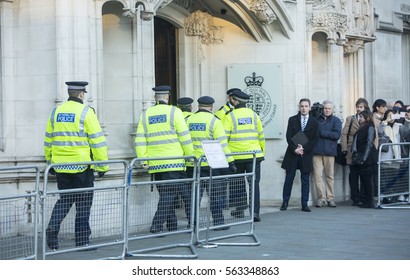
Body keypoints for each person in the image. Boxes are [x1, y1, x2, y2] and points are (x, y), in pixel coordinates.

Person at [44, 81, 109, 250]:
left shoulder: (56, 112)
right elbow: (97, 141)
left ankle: (52, 232)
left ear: (69, 93)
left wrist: (50, 162)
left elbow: (48, 139)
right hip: (82, 166)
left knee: (65, 200)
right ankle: (82, 241)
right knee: (83, 204)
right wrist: (102, 166)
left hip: (60, 166)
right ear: (81, 94)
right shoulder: (86, 112)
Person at [135, 85, 194, 234]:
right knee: (168, 195)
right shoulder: (175, 112)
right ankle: (157, 224)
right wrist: (191, 157)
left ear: (155, 98)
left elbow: (140, 140)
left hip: (156, 164)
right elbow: (185, 137)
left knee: (171, 194)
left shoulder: (146, 114)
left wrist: (144, 160)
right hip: (174, 162)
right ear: (167, 97)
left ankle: (174, 224)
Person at [186, 96, 236, 230]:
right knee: (215, 195)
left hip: (193, 164)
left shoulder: (188, 120)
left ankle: (193, 224)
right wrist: (230, 162)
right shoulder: (214, 121)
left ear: (198, 106)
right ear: (211, 106)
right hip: (210, 165)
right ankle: (219, 223)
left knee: (194, 196)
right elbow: (222, 144)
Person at [223, 90, 265, 222]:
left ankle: (240, 210)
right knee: (254, 184)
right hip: (254, 156)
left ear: (235, 101)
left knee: (238, 184)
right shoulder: (254, 115)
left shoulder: (230, 116)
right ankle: (255, 213)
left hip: (236, 156)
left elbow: (224, 138)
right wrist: (261, 153)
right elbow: (261, 136)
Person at [280, 98, 319, 212]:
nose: (304, 108)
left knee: (305, 180)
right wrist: (295, 149)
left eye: (306, 106)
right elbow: (288, 136)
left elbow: (315, 139)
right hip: (292, 154)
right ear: (299, 107)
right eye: (302, 106)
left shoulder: (314, 122)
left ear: (309, 108)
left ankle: (304, 204)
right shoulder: (292, 120)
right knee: (289, 179)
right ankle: (285, 202)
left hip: (305, 155)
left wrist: (304, 149)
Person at [312, 100, 342, 208]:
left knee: (330, 176)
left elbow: (337, 135)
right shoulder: (316, 119)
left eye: (329, 108)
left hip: (330, 152)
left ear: (332, 109)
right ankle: (321, 198)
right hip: (317, 152)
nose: (327, 110)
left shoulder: (336, 120)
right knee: (317, 176)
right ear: (322, 109)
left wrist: (322, 133)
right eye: (325, 108)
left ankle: (330, 198)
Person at [340, 97, 369, 206]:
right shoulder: (350, 119)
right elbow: (344, 134)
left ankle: (363, 197)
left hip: (363, 150)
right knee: (353, 175)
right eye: (357, 107)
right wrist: (344, 148)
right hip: (351, 149)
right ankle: (355, 198)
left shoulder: (368, 119)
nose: (359, 109)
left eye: (361, 107)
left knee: (363, 174)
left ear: (365, 107)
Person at [351, 109, 378, 208]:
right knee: (364, 180)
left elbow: (369, 143)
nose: (359, 119)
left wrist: (364, 158)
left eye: (361, 117)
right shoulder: (362, 128)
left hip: (369, 158)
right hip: (363, 156)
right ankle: (366, 201)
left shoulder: (370, 127)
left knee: (368, 180)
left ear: (366, 118)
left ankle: (370, 202)